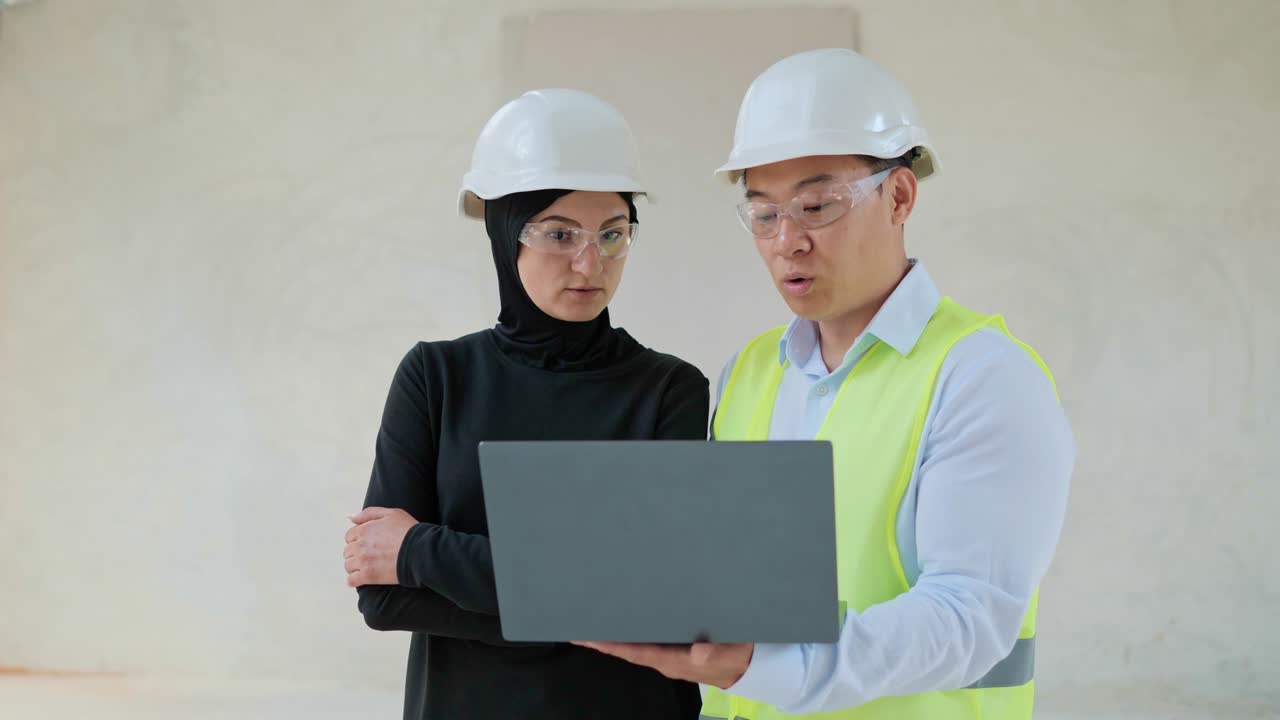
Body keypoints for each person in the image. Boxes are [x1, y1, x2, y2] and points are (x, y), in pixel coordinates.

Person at [578, 48, 1074, 720]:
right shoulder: (751, 371)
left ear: (900, 196)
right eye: (763, 214)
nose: (787, 241)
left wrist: (768, 663)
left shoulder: (982, 376)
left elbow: (968, 616)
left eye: (816, 206)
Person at [343, 88, 708, 720]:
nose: (590, 263)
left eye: (612, 234)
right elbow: (384, 599)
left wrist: (422, 552)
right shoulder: (435, 377)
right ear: (505, 232)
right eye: (560, 234)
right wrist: (582, 596)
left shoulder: (670, 389)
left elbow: (654, 601)